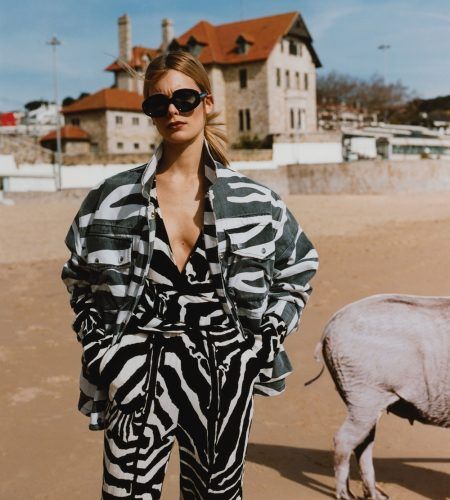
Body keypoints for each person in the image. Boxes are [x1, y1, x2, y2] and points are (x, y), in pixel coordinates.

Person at [61, 50, 318, 500]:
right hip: (135, 367)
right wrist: (103, 347)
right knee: (126, 494)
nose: (173, 111)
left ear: (208, 102)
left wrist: (263, 342)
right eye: (158, 104)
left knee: (216, 495)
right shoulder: (110, 198)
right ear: (148, 113)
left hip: (225, 367)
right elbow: (78, 277)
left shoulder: (255, 201)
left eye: (184, 98)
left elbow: (297, 269)